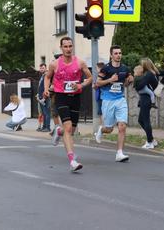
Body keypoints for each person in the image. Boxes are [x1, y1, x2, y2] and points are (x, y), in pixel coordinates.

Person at [43, 36, 92, 172]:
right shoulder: (55, 64)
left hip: (75, 98)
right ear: (61, 48)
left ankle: (59, 131)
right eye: (65, 46)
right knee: (69, 127)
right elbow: (47, 77)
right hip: (61, 97)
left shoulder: (80, 63)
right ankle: (72, 161)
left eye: (70, 46)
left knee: (71, 131)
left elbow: (90, 77)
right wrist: (46, 89)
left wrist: (81, 85)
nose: (68, 49)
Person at [95, 45, 134, 162]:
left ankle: (119, 153)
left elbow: (126, 83)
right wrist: (109, 80)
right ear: (111, 55)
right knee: (109, 129)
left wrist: (129, 80)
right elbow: (97, 83)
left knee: (122, 126)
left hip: (120, 99)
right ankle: (101, 130)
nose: (118, 55)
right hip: (108, 100)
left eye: (120, 53)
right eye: (116, 53)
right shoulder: (106, 69)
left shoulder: (125, 68)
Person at [133, 58, 164, 149]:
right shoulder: (154, 72)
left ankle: (149, 142)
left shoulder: (148, 74)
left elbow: (140, 85)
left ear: (145, 66)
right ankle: (152, 140)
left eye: (142, 65)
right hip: (146, 98)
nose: (141, 67)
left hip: (146, 98)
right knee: (141, 120)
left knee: (145, 120)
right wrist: (159, 87)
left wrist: (135, 78)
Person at [37, 63, 51, 132]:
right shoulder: (42, 76)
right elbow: (41, 87)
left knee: (46, 113)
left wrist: (44, 97)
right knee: (43, 113)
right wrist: (38, 95)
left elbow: (47, 87)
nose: (41, 69)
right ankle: (44, 126)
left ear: (46, 68)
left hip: (45, 97)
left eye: (43, 68)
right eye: (40, 68)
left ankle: (47, 127)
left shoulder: (47, 75)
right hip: (41, 97)